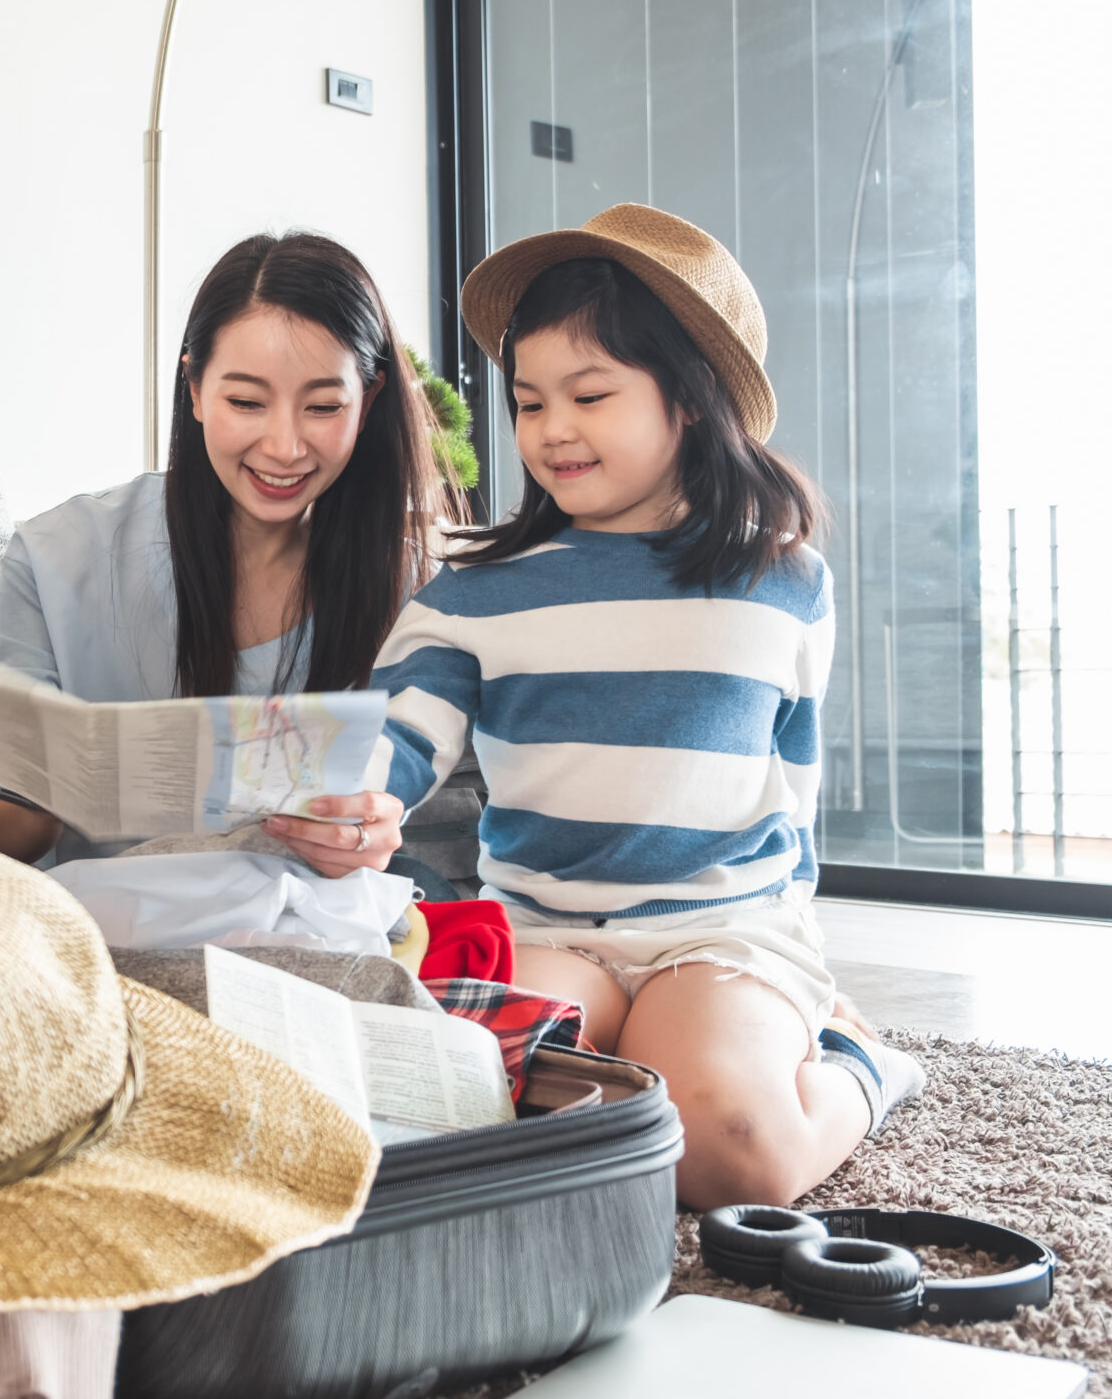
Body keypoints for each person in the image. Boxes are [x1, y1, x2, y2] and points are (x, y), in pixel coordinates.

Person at [372, 204, 923, 1209]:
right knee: (462, 1103)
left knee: (725, 1151)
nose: (551, 430)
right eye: (529, 402)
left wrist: (784, 969)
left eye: (588, 394)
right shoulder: (468, 589)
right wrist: (352, 799)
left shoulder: (784, 582)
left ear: (691, 398)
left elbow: (787, 790)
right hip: (544, 925)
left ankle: (856, 1060)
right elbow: (393, 740)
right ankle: (665, 1038)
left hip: (722, 931)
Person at [0, 232, 454, 884]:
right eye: (246, 401)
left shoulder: (415, 588)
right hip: (113, 945)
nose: (283, 446)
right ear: (194, 389)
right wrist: (41, 783)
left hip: (310, 943)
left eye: (323, 406)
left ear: (367, 403)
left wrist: (371, 828)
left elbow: (443, 829)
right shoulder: (59, 556)